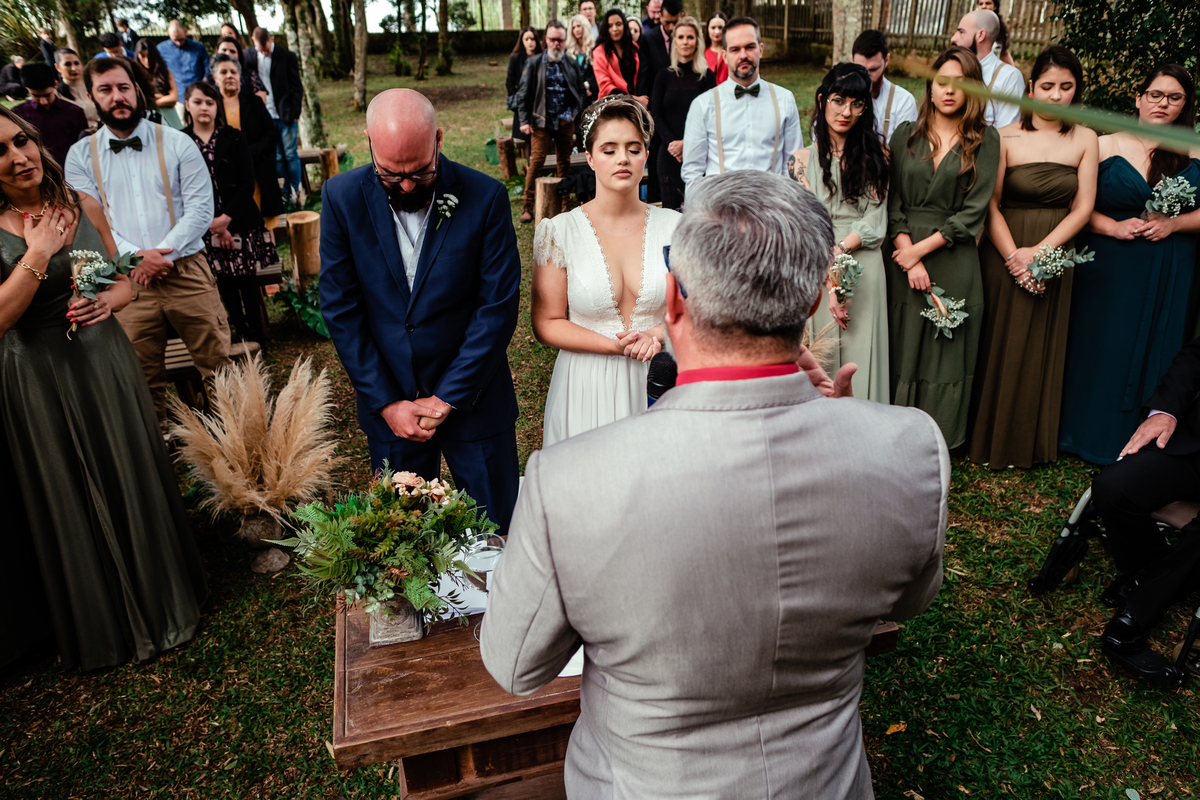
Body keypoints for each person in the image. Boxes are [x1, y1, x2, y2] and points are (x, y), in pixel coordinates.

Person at [481, 169, 948, 798]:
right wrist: (846, 429)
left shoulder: (567, 482)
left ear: (673, 301)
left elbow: (514, 665)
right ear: (812, 303)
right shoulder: (911, 446)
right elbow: (907, 602)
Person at [0, 106, 206, 671]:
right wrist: (39, 254)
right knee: (66, 486)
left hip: (102, 361)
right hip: (36, 374)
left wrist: (104, 300)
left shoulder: (80, 205)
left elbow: (122, 286)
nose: (18, 157)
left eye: (21, 141)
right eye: (1, 151)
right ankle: (101, 623)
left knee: (127, 468)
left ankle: (165, 598)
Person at [319, 89, 522, 535]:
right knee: (405, 545)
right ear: (369, 144)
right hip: (391, 409)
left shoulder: (485, 197)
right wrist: (389, 403)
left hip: (476, 403)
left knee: (498, 537)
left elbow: (497, 308)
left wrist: (448, 395)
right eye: (392, 175)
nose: (407, 186)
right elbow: (341, 309)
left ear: (439, 139)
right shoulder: (340, 198)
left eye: (420, 172)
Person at [64, 57, 231, 424]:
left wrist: (160, 253)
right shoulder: (79, 157)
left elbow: (202, 209)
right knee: (139, 377)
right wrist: (137, 258)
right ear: (92, 96)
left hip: (186, 271)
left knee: (219, 367)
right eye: (106, 90)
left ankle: (238, 448)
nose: (117, 97)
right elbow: (90, 221)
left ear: (137, 91)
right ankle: (156, 464)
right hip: (125, 280)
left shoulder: (178, 143)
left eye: (123, 88)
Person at [1058, 65, 1200, 465]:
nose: (1163, 104)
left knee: (1159, 347)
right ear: (1138, 97)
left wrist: (1175, 223)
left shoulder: (1195, 149)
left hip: (1172, 269)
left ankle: (1141, 437)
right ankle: (1080, 431)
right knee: (1102, 343)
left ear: (1186, 105)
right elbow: (1076, 206)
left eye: (1175, 97)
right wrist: (1113, 227)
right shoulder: (1103, 144)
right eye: (1156, 94)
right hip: (1110, 264)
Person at [968, 46, 1098, 469]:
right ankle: (986, 435)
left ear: (1076, 90)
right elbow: (991, 205)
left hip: (1055, 249)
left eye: (1066, 86)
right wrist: (1013, 258)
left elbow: (1083, 208)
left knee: (1040, 340)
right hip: (1005, 246)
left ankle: (1029, 439)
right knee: (1000, 338)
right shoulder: (1004, 135)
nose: (1055, 95)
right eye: (1047, 86)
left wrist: (1040, 254)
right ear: (1030, 87)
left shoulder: (1085, 139)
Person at [533, 96, 679, 445]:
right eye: (609, 149)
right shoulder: (559, 232)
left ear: (646, 154)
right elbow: (546, 323)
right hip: (586, 384)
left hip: (659, 378)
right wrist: (615, 347)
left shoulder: (677, 227)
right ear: (591, 156)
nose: (623, 159)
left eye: (634, 148)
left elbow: (694, 309)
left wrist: (656, 336)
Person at [887, 46, 999, 449]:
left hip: (953, 255)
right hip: (901, 256)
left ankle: (940, 437)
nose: (949, 91)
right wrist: (906, 252)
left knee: (944, 349)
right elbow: (892, 200)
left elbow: (974, 213)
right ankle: (896, 430)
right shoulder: (905, 135)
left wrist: (920, 252)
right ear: (930, 86)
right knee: (903, 340)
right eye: (942, 82)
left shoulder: (985, 141)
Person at [1092, 336, 1200, 661]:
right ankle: (1146, 571)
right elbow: (1197, 355)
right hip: (1196, 445)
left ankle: (1135, 618)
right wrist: (1165, 411)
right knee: (1114, 487)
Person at [789, 63, 891, 403]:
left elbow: (877, 219)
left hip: (864, 263)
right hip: (818, 263)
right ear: (821, 100)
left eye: (857, 103)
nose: (846, 111)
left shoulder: (878, 158)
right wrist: (831, 265)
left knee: (862, 355)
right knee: (822, 354)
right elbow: (805, 221)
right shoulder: (800, 161)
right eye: (838, 100)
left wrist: (842, 250)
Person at [183, 81, 277, 346]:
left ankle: (259, 335)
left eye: (210, 102)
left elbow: (247, 182)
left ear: (217, 107)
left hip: (240, 220)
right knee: (223, 281)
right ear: (187, 105)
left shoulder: (234, 137)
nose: (204, 107)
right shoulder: (180, 142)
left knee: (247, 279)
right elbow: (181, 190)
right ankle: (241, 332)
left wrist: (226, 220)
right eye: (198, 101)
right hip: (203, 226)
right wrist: (212, 224)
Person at [681, 17, 803, 188]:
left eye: (750, 47)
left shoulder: (784, 99)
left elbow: (793, 166)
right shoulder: (703, 105)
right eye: (735, 49)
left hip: (772, 209)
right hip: (721, 210)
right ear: (724, 55)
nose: (743, 55)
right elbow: (692, 172)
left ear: (760, 49)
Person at [514, 21, 584, 224]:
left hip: (564, 122)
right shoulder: (534, 62)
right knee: (536, 162)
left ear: (564, 40)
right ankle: (528, 205)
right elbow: (523, 93)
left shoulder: (570, 63)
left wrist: (572, 113)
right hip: (541, 121)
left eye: (560, 40)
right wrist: (525, 120)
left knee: (564, 163)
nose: (556, 43)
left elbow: (580, 92)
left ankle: (564, 204)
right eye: (552, 39)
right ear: (546, 39)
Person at [209, 53, 283, 231]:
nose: (229, 76)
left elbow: (271, 134)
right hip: (227, 180)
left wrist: (249, 154)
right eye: (223, 72)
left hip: (258, 173)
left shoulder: (255, 102)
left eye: (233, 72)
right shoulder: (211, 107)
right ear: (215, 78)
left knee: (265, 226)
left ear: (240, 77)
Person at [651, 16, 715, 210]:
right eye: (681, 37)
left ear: (697, 42)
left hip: (699, 153)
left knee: (699, 213)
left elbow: (712, 116)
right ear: (675, 42)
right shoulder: (663, 76)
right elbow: (656, 113)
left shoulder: (707, 77)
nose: (685, 42)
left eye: (690, 37)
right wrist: (673, 144)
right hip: (669, 155)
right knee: (671, 212)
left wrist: (687, 144)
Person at [244, 28, 303, 199]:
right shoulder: (248, 57)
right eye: (260, 49)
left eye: (266, 48)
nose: (264, 51)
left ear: (272, 39)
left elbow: (297, 87)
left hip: (286, 114)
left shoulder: (287, 56)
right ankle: (285, 193)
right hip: (264, 116)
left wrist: (295, 112)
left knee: (291, 154)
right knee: (277, 157)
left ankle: (296, 191)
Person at [950, 9, 1024, 128]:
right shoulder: (948, 70)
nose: (953, 39)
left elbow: (1007, 134)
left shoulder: (1009, 78)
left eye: (961, 32)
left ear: (980, 35)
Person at [12, 62, 88, 168]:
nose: (43, 101)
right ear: (27, 89)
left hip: (72, 170)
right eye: (36, 96)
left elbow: (84, 147)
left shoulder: (75, 112)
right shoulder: (18, 114)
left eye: (47, 95)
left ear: (55, 85)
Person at [852, 29, 917, 145]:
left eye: (873, 70)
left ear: (886, 60)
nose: (866, 77)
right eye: (860, 69)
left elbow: (904, 153)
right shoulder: (836, 98)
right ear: (852, 60)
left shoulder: (904, 102)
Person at [592, 9, 647, 106]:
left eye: (618, 24)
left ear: (625, 26)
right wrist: (635, 100)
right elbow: (606, 87)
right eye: (610, 26)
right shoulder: (599, 52)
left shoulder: (634, 48)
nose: (615, 29)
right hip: (611, 105)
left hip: (637, 106)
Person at [157, 20, 209, 122]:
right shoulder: (161, 49)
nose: (178, 43)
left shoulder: (199, 48)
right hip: (177, 100)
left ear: (186, 32)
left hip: (198, 97)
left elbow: (207, 71)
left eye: (181, 39)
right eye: (175, 40)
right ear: (168, 33)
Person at [506, 27, 541, 153]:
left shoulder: (542, 57)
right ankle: (529, 166)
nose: (530, 42)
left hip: (540, 103)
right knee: (527, 140)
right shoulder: (516, 58)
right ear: (522, 41)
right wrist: (516, 95)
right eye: (527, 39)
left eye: (532, 39)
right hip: (524, 104)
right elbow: (510, 81)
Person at [135, 39, 182, 129]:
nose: (147, 60)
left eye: (149, 56)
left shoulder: (166, 73)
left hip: (171, 120)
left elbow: (173, 98)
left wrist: (150, 100)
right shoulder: (136, 77)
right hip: (149, 123)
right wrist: (162, 99)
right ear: (138, 56)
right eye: (143, 56)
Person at [207, 37, 268, 102]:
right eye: (224, 50)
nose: (228, 53)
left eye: (232, 51)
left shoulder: (250, 75)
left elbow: (261, 102)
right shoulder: (209, 78)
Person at [54, 49, 98, 130]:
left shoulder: (93, 87)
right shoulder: (56, 95)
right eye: (68, 64)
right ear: (58, 67)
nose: (74, 68)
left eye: (76, 63)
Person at [566, 14, 598, 118]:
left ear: (585, 26)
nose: (576, 30)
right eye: (573, 27)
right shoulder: (568, 50)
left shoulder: (595, 47)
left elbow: (597, 71)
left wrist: (588, 85)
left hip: (591, 94)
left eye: (579, 26)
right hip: (574, 94)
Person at [975, 0, 1015, 66]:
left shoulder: (1000, 28)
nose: (984, 6)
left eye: (988, 3)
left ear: (995, 6)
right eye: (980, 4)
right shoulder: (971, 25)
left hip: (993, 73)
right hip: (972, 72)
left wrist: (1014, 73)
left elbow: (1004, 54)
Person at [704, 11, 728, 85]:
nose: (717, 31)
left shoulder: (731, 51)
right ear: (708, 29)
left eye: (720, 27)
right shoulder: (701, 52)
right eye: (713, 27)